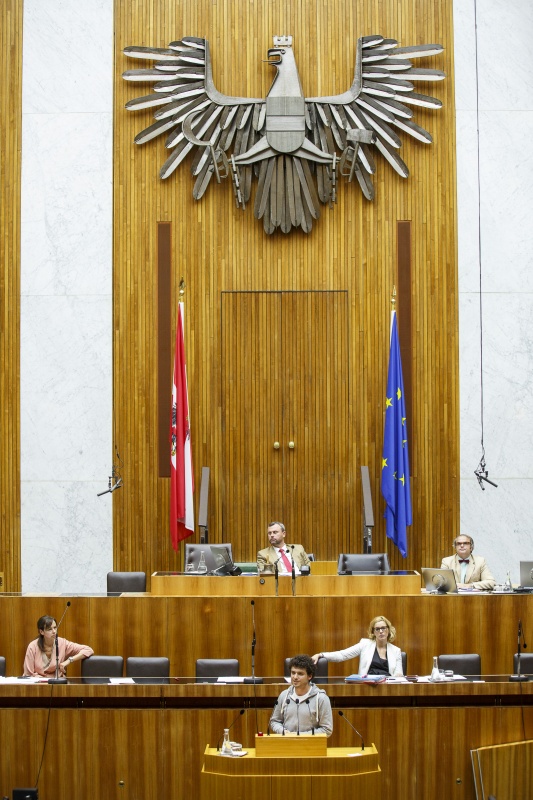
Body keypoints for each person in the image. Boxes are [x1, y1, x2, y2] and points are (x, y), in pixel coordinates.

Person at [312, 615, 404, 677]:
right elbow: (342, 655)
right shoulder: (365, 645)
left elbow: (398, 674)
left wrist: (399, 676)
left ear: (388, 630)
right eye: (377, 629)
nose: (381, 631)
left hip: (387, 687)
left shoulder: (396, 651)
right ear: (373, 632)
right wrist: (321, 654)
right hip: (366, 686)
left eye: (383, 628)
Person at [270, 654, 332, 736]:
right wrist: (283, 731)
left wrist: (299, 736)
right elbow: (274, 721)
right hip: (287, 744)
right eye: (293, 673)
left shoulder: (321, 699)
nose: (295, 677)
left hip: (310, 746)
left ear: (309, 676)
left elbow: (327, 729)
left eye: (300, 674)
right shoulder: (284, 695)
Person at [23, 615, 94, 679]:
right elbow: (28, 674)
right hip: (37, 685)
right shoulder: (32, 646)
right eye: (49, 629)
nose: (54, 631)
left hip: (57, 684)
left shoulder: (62, 643)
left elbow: (88, 650)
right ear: (41, 632)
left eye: (55, 627)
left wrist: (69, 660)